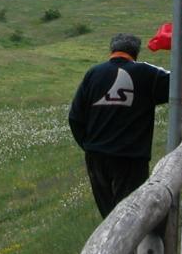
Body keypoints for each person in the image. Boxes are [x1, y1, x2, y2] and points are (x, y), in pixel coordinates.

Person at [68, 33, 172, 219]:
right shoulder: (147, 73)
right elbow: (178, 83)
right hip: (130, 157)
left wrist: (88, 145)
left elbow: (75, 117)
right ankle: (128, 248)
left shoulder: (93, 73)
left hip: (96, 156)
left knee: (108, 217)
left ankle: (111, 247)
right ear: (136, 52)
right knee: (129, 215)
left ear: (112, 50)